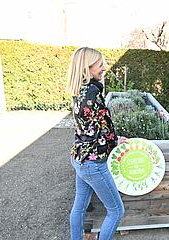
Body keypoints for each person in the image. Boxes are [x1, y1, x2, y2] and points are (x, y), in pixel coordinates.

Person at [66, 47, 127, 240]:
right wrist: (115, 140)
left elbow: (90, 128)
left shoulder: (79, 91)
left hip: (80, 158)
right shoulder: (92, 92)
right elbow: (103, 127)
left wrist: (114, 139)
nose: (104, 68)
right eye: (100, 64)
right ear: (88, 67)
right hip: (93, 163)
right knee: (116, 211)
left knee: (79, 207)